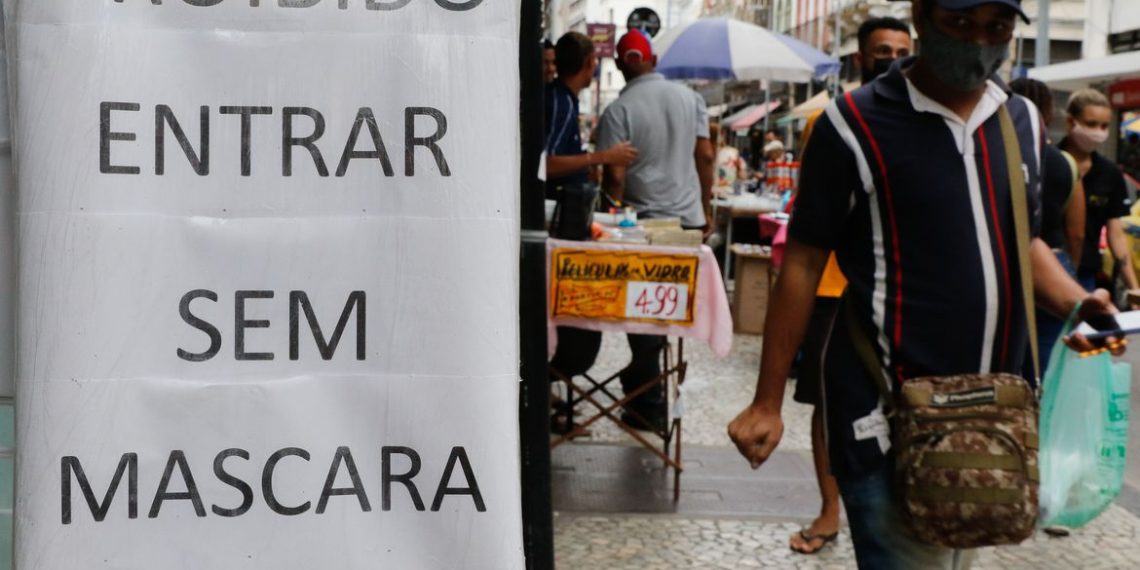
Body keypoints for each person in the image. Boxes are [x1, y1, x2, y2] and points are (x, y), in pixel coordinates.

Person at [727, 1, 1123, 568]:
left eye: (997, 29)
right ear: (921, 14)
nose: (978, 43)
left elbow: (1023, 240)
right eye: (960, 24)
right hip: (886, 418)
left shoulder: (1022, 122)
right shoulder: (852, 125)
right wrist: (767, 402)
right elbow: (804, 261)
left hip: (991, 425)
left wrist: (1077, 301)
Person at [786, 15, 912, 557]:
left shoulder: (922, 121)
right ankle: (829, 509)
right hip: (836, 289)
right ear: (860, 57)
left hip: (900, 294)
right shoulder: (834, 122)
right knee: (830, 405)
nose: (892, 57)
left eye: (902, 49)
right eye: (882, 49)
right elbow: (810, 232)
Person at [594, 29, 715, 430]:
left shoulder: (619, 110)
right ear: (655, 61)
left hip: (642, 225)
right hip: (688, 222)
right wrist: (706, 204)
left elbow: (614, 174)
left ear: (617, 64)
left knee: (644, 311)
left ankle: (647, 395)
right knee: (670, 313)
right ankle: (650, 393)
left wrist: (611, 211)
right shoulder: (690, 98)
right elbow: (706, 155)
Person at [1010, 78, 1086, 370]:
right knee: (1048, 358)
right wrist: (1069, 271)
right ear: (1048, 112)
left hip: (1007, 265)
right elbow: (1076, 233)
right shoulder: (1064, 163)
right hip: (1054, 261)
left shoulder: (993, 152)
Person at [1058, 89, 1140, 294]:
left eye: (1104, 126)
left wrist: (1134, 288)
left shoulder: (1109, 173)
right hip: (1047, 270)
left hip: (1086, 275)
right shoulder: (1049, 163)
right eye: (1091, 124)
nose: (1098, 132)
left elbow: (1116, 234)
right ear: (1070, 122)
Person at [544, 31, 637, 200]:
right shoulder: (562, 103)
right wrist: (604, 156)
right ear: (589, 61)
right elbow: (547, 164)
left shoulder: (565, 100)